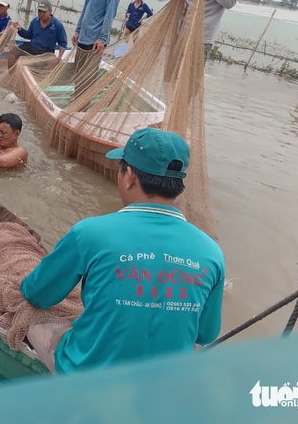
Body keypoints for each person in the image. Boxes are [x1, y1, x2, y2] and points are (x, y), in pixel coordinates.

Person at [20, 127, 225, 374]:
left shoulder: (89, 233)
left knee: (35, 323)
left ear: (129, 176)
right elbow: (205, 334)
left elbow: (37, 294)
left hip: (89, 374)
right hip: (166, 380)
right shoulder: (211, 252)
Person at [71, 0, 122, 96]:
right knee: (78, 76)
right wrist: (78, 30)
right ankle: (76, 104)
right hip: (83, 38)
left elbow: (110, 13)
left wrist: (102, 38)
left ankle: (82, 110)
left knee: (87, 81)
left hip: (95, 42)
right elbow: (86, 7)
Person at [7, 0, 67, 69]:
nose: (41, 14)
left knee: (52, 63)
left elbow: (63, 43)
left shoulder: (57, 25)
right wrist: (20, 29)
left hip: (46, 52)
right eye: (39, 11)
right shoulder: (35, 21)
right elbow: (29, 35)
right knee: (12, 53)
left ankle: (42, 79)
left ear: (50, 11)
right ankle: (11, 75)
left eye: (44, 11)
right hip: (32, 47)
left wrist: (59, 57)